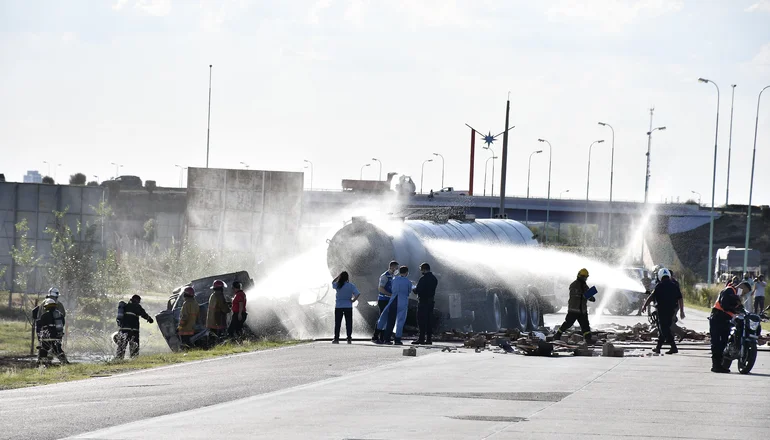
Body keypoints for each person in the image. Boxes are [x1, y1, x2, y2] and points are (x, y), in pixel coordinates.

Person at [709, 281, 751, 373]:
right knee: (717, 342)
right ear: (741, 287)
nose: (743, 294)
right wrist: (735, 309)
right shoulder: (729, 291)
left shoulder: (735, 295)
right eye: (744, 292)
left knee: (724, 342)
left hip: (724, 319)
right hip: (718, 318)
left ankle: (721, 365)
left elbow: (737, 307)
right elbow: (725, 305)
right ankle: (716, 366)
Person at [641, 268, 685, 354]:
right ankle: (658, 347)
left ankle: (673, 347)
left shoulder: (659, 286)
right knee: (663, 329)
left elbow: (651, 296)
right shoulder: (674, 285)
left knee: (664, 330)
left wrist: (644, 305)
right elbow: (680, 298)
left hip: (661, 311)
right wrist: (681, 311)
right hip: (671, 310)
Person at [553, 268, 594, 344]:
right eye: (584, 277)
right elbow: (579, 295)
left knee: (585, 326)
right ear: (580, 276)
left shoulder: (582, 285)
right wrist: (588, 296)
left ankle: (588, 339)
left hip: (581, 310)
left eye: (586, 277)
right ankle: (557, 335)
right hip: (575, 310)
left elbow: (585, 295)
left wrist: (590, 297)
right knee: (568, 323)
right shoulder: (575, 285)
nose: (585, 278)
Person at [375, 266, 412, 345]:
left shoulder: (394, 279)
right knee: (400, 321)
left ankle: (387, 339)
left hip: (393, 300)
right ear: (406, 273)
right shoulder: (408, 282)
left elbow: (392, 288)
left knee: (390, 320)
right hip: (402, 301)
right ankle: (397, 339)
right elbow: (409, 291)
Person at [115, 295, 154, 359]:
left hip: (123, 330)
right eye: (139, 301)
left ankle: (119, 360)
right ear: (136, 300)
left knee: (121, 347)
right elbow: (143, 314)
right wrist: (150, 319)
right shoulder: (137, 306)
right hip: (133, 331)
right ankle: (134, 360)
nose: (139, 302)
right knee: (134, 348)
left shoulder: (125, 306)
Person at [372, 261, 399, 343]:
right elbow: (381, 288)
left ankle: (382, 337)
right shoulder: (385, 276)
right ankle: (375, 336)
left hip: (389, 300)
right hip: (383, 300)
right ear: (392, 267)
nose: (397, 269)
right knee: (382, 318)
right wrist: (390, 294)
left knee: (387, 319)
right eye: (396, 268)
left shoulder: (393, 276)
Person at [36, 299, 68, 365]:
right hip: (57, 336)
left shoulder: (44, 316)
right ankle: (65, 362)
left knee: (43, 350)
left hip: (47, 337)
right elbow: (63, 324)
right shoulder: (61, 315)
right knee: (58, 350)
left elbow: (41, 326)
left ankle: (41, 364)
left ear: (46, 307)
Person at [412, 262, 438, 345]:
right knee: (429, 321)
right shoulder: (434, 279)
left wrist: (413, 287)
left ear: (424, 269)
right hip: (431, 302)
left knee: (421, 320)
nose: (421, 271)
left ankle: (421, 338)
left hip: (423, 302)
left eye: (421, 269)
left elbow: (417, 291)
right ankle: (429, 339)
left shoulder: (423, 279)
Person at [331, 271, 361, 344]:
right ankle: (349, 338)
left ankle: (336, 338)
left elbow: (332, 282)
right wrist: (353, 300)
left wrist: (338, 277)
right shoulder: (351, 285)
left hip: (339, 306)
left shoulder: (338, 285)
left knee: (338, 323)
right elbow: (358, 293)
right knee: (349, 323)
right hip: (348, 306)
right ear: (347, 278)